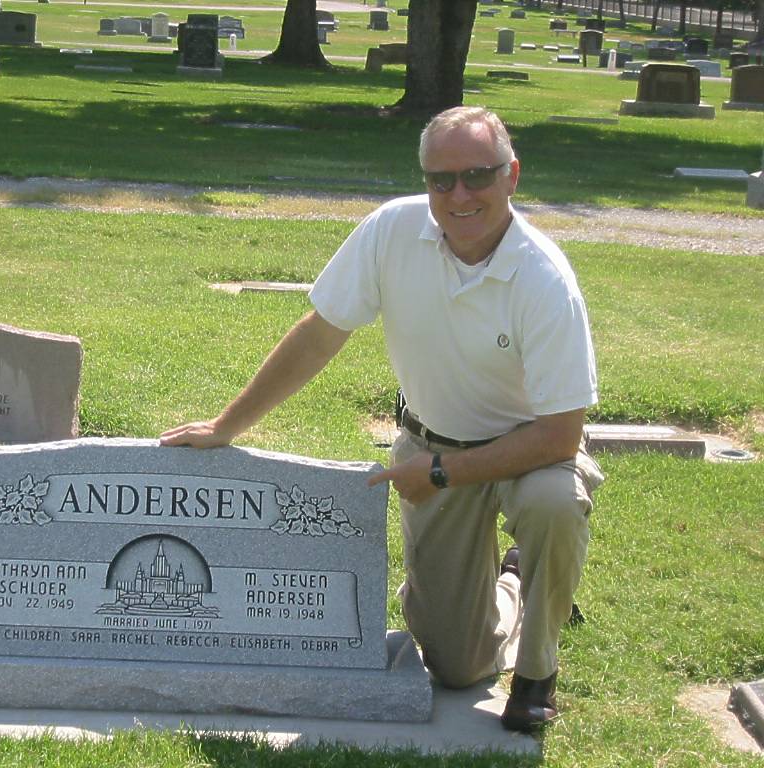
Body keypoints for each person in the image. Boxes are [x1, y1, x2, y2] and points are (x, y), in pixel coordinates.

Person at [160, 106, 604, 733]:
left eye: (478, 176)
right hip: (432, 444)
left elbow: (561, 434)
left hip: (530, 453)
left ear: (512, 176)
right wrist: (228, 425)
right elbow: (320, 333)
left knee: (554, 505)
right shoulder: (392, 231)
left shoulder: (545, 279)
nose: (459, 195)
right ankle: (517, 583)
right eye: (440, 179)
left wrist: (443, 473)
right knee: (455, 666)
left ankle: (536, 672)